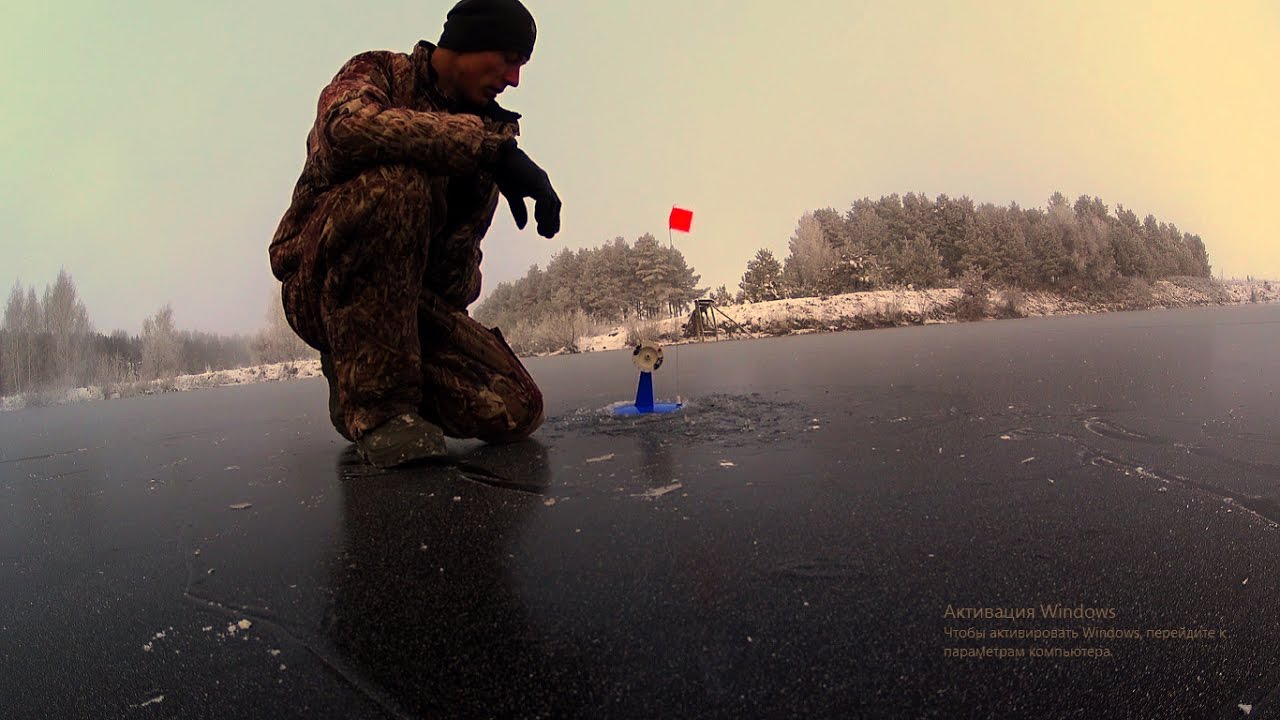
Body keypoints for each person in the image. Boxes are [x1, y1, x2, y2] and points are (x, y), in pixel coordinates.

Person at [268, 0, 560, 468]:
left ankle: (357, 376)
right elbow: (344, 131)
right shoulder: (379, 72)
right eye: (509, 59)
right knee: (396, 185)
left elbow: (450, 279)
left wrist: (479, 177)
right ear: (469, 42)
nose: (514, 79)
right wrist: (484, 149)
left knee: (517, 408)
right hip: (319, 281)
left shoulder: (487, 129)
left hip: (412, 305)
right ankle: (380, 410)